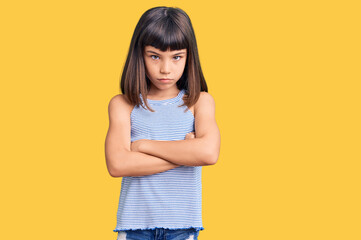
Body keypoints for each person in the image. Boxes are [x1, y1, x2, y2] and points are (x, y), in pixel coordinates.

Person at [105, 6, 221, 240]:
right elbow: (117, 164)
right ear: (141, 54)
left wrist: (142, 146)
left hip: (183, 227)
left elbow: (208, 153)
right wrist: (186, 154)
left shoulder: (199, 102)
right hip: (135, 227)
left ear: (189, 57)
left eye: (177, 57)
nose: (165, 69)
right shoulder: (123, 104)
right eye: (155, 56)